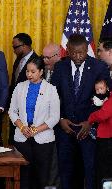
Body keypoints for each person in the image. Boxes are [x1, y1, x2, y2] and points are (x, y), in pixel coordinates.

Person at [51, 34, 111, 189]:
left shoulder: (99, 67)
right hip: (65, 129)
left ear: (87, 50)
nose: (78, 56)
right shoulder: (60, 67)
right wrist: (60, 119)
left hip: (88, 129)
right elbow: (53, 97)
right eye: (74, 53)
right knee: (65, 172)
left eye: (82, 52)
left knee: (90, 171)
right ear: (68, 51)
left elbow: (104, 97)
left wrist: (90, 121)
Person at [9, 57, 60, 189]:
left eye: (33, 71)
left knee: (41, 175)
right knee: (23, 174)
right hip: (22, 137)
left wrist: (36, 130)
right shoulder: (19, 87)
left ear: (41, 71)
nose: (29, 74)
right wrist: (22, 127)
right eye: (27, 71)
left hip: (44, 140)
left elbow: (54, 117)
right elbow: (12, 111)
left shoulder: (51, 89)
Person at [8, 33, 38, 144]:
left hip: (27, 110)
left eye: (15, 47)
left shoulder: (37, 61)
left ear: (24, 46)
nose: (14, 50)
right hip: (15, 107)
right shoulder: (18, 60)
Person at [42, 43, 62, 189]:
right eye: (43, 57)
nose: (45, 61)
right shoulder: (44, 71)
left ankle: (53, 185)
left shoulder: (64, 71)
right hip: (41, 123)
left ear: (58, 55)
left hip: (59, 123)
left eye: (48, 57)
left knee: (56, 157)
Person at [88, 80, 112, 189]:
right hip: (103, 137)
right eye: (97, 89)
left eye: (101, 88)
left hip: (107, 138)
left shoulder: (110, 99)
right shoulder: (100, 99)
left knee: (104, 169)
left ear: (107, 88)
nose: (98, 91)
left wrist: (91, 117)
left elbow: (103, 115)